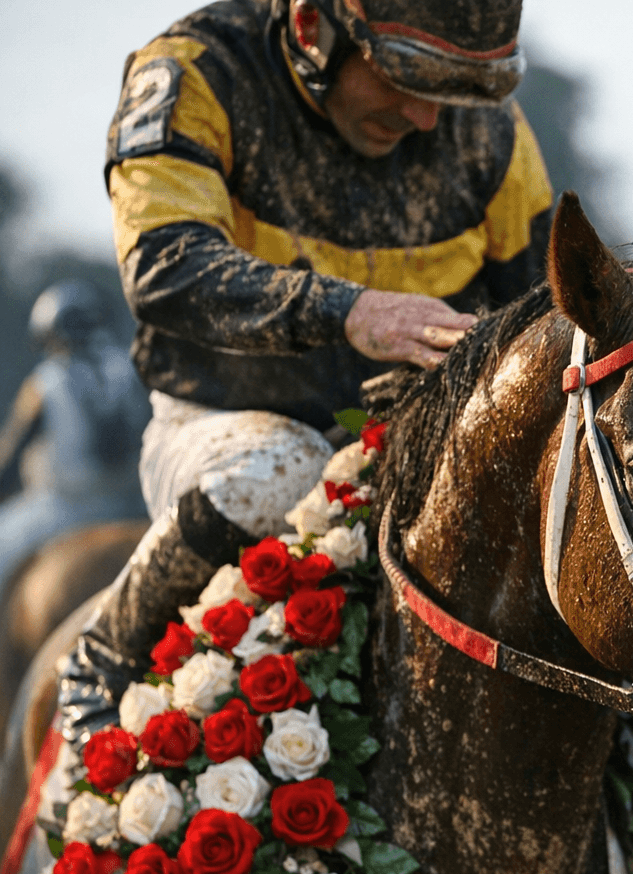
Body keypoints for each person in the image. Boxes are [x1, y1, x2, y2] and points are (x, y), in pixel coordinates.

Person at [60, 0, 553, 744]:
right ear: (308, 30)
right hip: (222, 427)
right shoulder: (198, 67)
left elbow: (546, 313)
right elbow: (163, 264)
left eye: (452, 87)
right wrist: (349, 312)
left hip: (414, 441)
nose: (426, 117)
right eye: (405, 78)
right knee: (283, 467)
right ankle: (101, 660)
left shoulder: (493, 132)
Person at [0, 281, 150, 591]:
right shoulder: (133, 370)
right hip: (136, 504)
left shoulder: (43, 385)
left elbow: (9, 466)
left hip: (66, 511)